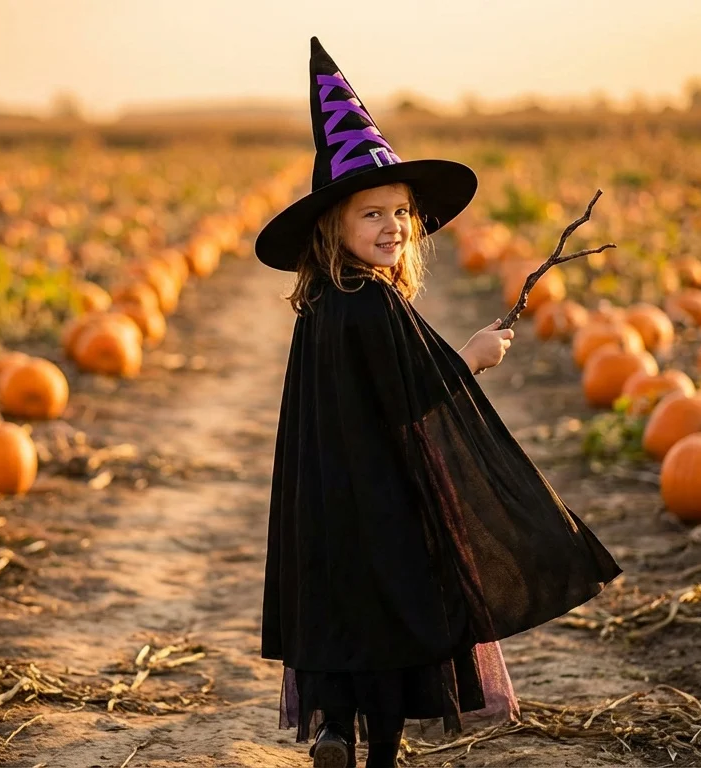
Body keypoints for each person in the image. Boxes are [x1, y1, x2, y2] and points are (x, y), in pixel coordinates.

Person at [255, 38, 624, 768]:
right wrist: (473, 359)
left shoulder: (324, 304)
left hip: (325, 504)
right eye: (371, 215)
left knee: (338, 618)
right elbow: (413, 392)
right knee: (398, 620)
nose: (391, 226)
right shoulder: (375, 305)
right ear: (334, 227)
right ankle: (382, 753)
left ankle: (333, 730)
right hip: (387, 497)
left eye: (399, 212)